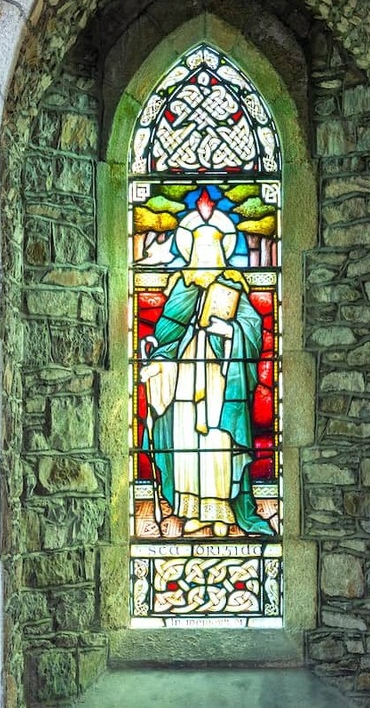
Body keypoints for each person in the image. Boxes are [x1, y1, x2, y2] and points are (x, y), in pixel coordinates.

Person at [140, 188, 272, 537]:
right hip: (186, 375)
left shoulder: (233, 287)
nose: (205, 254)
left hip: (220, 378)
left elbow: (252, 329)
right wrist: (155, 347)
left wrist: (229, 330)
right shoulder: (182, 289)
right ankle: (193, 510)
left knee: (217, 440)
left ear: (221, 251)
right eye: (200, 248)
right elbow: (168, 334)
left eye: (211, 248)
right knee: (188, 440)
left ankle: (223, 512)